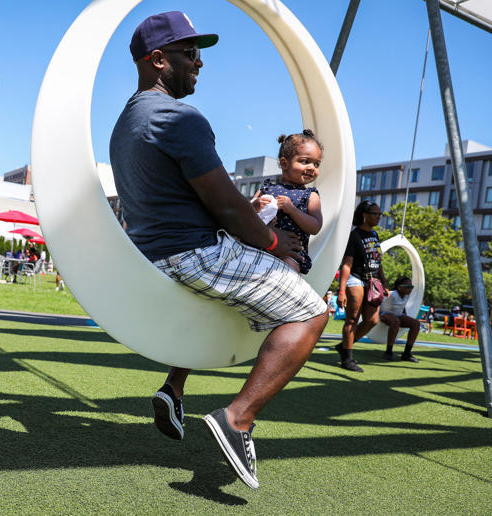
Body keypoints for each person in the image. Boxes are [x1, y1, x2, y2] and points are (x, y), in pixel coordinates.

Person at [109, 11, 328, 489]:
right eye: (191, 54)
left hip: (155, 255)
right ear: (159, 60)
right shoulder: (178, 117)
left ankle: (174, 386)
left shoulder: (128, 120)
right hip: (195, 253)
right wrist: (273, 242)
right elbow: (227, 206)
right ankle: (238, 419)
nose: (200, 63)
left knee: (231, 307)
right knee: (311, 312)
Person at [252, 131, 323, 274]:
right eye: (305, 161)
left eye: (316, 164)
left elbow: (315, 226)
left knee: (287, 272)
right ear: (284, 163)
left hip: (290, 254)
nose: (312, 167)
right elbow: (245, 212)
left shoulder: (310, 195)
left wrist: (293, 210)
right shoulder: (267, 188)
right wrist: (255, 205)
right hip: (259, 247)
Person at [336, 200, 388, 372]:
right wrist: (341, 290)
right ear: (364, 215)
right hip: (356, 279)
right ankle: (348, 359)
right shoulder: (355, 235)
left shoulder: (375, 235)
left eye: (380, 214)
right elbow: (347, 264)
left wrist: (384, 282)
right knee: (352, 319)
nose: (379, 217)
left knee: (372, 320)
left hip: (373, 281)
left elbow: (378, 262)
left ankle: (344, 346)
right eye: (375, 214)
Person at [378, 276, 420, 362]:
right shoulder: (391, 295)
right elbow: (378, 302)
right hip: (384, 314)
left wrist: (406, 316)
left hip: (397, 315)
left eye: (411, 287)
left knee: (416, 324)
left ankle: (407, 353)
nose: (410, 289)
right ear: (399, 287)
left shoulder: (406, 295)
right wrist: (377, 316)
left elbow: (402, 306)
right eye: (408, 287)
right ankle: (388, 351)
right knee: (396, 322)